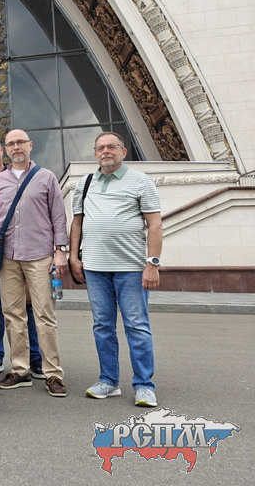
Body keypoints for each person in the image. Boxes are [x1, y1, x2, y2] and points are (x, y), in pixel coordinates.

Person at [70, 132, 162, 407]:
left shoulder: (141, 181)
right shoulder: (85, 183)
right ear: (95, 153)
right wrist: (74, 257)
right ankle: (108, 381)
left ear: (123, 151)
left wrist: (152, 264)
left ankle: (144, 385)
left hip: (131, 268)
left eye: (111, 147)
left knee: (137, 326)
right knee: (102, 326)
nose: (106, 151)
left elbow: (154, 224)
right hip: (95, 268)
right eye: (100, 148)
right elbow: (77, 223)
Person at [0, 129, 69, 397]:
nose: (16, 147)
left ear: (30, 145)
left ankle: (53, 373)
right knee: (12, 314)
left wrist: (60, 251)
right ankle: (20, 370)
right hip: (7, 257)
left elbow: (58, 217)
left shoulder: (46, 177)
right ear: (6, 149)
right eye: (11, 143)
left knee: (44, 315)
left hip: (40, 255)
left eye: (20, 142)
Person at [0, 135, 42, 378]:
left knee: (29, 307)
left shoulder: (21, 176)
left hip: (26, 251)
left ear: (1, 151)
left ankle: (35, 358)